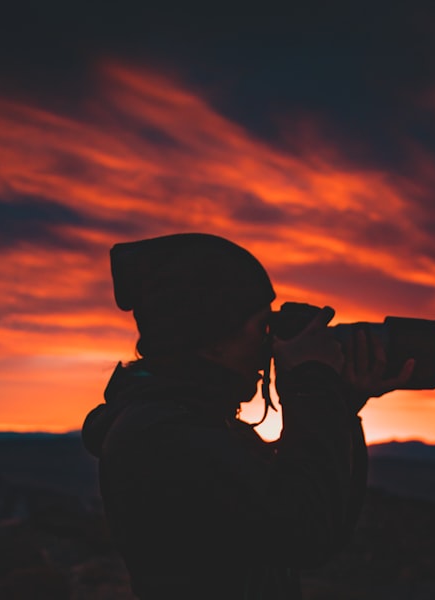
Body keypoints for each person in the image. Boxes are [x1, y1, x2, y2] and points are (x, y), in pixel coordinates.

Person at [82, 233, 413, 599]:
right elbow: (307, 534)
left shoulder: (190, 421)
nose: (269, 347)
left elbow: (325, 519)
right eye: (262, 328)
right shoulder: (164, 436)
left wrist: (341, 406)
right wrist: (312, 387)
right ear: (212, 335)